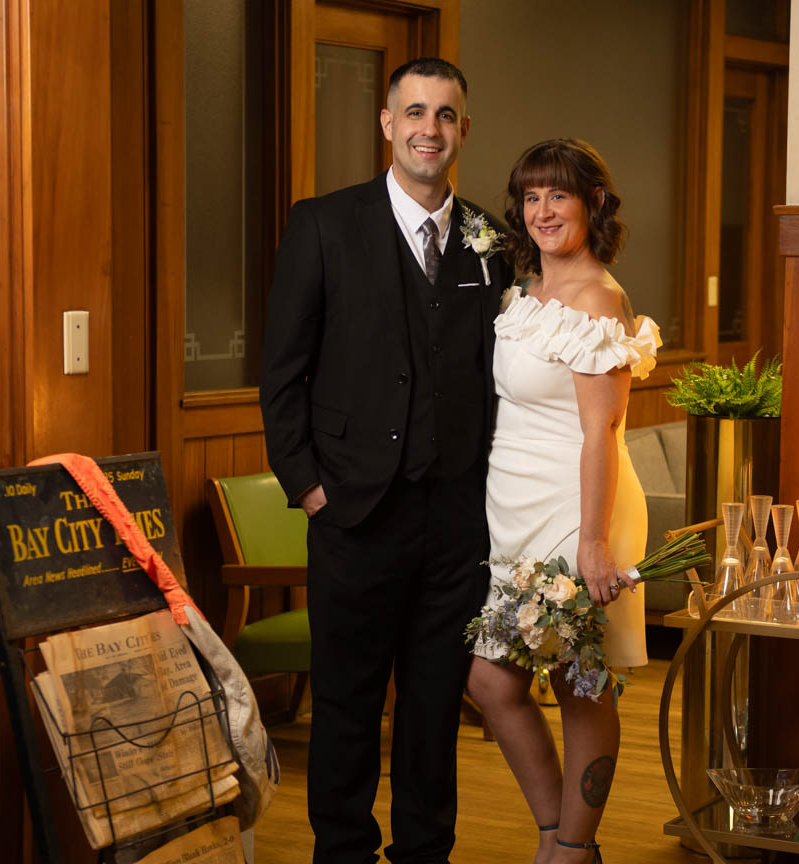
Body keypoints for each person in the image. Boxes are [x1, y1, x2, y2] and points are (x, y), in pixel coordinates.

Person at [259, 57, 513, 864]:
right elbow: (281, 372)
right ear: (387, 123)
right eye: (414, 112)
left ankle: (424, 855)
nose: (428, 129)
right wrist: (308, 487)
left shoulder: (490, 241)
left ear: (463, 129)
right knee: (346, 705)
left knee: (434, 708)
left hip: (456, 521)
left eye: (444, 115)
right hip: (353, 513)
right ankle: (341, 853)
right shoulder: (323, 225)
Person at [467, 139, 660, 864]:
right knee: (491, 683)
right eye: (531, 197)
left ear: (593, 204)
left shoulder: (598, 301)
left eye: (559, 195)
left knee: (581, 685)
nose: (543, 211)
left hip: (576, 511)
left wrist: (592, 543)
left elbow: (601, 430)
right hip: (511, 510)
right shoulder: (521, 296)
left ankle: (572, 847)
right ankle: (559, 838)